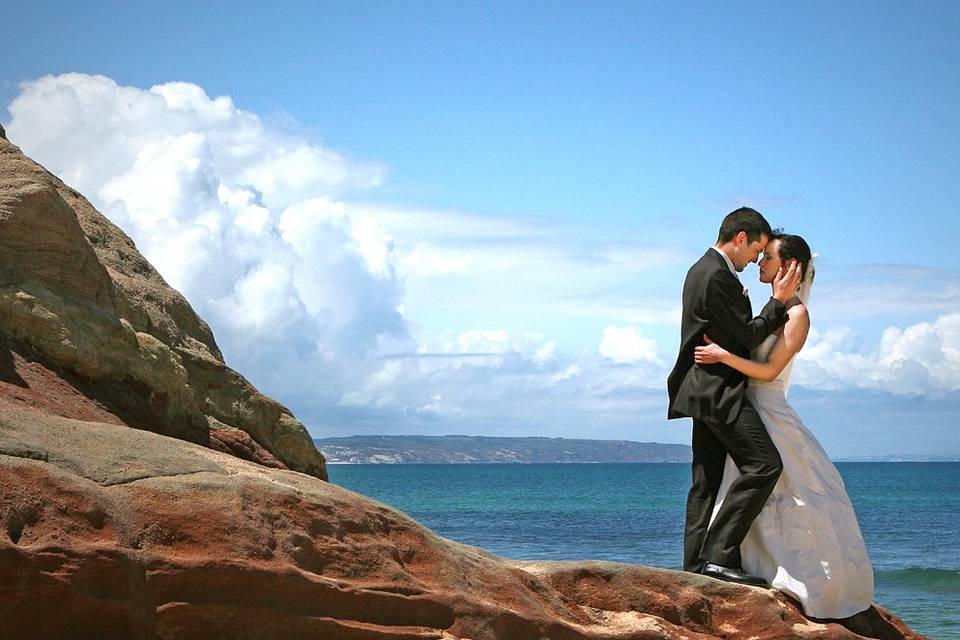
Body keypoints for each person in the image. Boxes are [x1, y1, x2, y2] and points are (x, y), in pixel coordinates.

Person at [694, 233, 874, 619]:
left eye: (768, 257)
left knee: (786, 489)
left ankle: (788, 576)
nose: (760, 262)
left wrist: (724, 356)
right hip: (748, 409)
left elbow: (770, 370)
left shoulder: (797, 316)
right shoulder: (772, 309)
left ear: (789, 267)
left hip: (770, 410)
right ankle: (729, 561)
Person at [668, 207, 802, 586]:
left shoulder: (702, 269)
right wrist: (777, 302)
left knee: (705, 482)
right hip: (718, 390)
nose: (756, 259)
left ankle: (695, 569)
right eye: (756, 250)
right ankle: (719, 555)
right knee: (764, 465)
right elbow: (747, 336)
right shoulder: (715, 275)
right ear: (740, 238)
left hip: (704, 389)